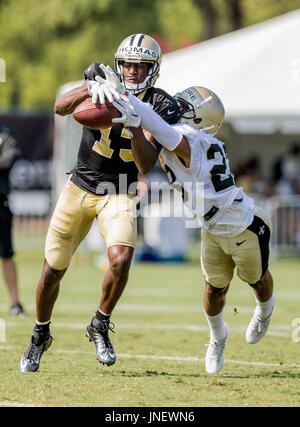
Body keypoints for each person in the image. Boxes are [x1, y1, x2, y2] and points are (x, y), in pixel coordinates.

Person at [94, 69, 275, 374]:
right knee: (213, 290)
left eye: (185, 107)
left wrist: (125, 97)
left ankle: (265, 310)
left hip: (242, 223)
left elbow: (156, 124)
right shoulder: (186, 137)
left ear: (200, 119)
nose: (176, 108)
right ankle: (218, 337)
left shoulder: (192, 139)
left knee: (257, 280)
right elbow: (150, 145)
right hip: (211, 227)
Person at [19, 34, 180, 372]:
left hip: (120, 188)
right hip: (79, 185)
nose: (133, 71)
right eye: (128, 64)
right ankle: (39, 335)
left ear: (153, 69)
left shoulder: (162, 104)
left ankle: (100, 324)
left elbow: (146, 165)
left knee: (120, 260)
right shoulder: (102, 81)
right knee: (52, 270)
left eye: (140, 66)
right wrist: (87, 86)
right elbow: (60, 108)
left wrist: (136, 124)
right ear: (119, 64)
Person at [0, 125, 26, 317]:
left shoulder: (5, 134)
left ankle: (15, 303)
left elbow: (7, 161)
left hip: (0, 201)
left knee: (7, 253)